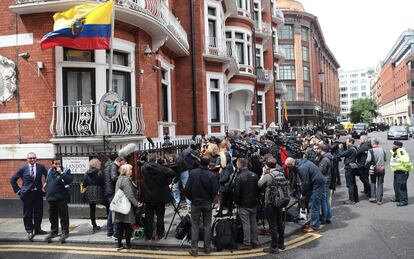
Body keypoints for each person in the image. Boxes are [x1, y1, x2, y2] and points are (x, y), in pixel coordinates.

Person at [10, 152, 48, 241]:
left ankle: (37, 229)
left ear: (36, 158)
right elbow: (12, 179)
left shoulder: (40, 167)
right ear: (27, 159)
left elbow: (47, 176)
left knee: (38, 212)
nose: (32, 159)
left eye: (33, 158)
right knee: (27, 213)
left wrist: (45, 185)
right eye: (30, 158)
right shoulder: (23, 168)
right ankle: (29, 231)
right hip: (27, 194)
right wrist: (18, 190)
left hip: (38, 193)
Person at [185, 156, 218, 257]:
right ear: (208, 163)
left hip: (195, 203)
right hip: (207, 203)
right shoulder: (211, 175)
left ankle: (194, 249)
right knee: (207, 226)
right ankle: (207, 248)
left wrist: (192, 199)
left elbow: (187, 189)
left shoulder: (193, 173)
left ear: (200, 162)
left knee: (195, 225)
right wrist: (211, 200)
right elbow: (215, 190)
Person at [285, 157, 326, 233]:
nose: (289, 168)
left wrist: (303, 194)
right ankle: (324, 219)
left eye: (289, 167)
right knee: (322, 202)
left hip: (316, 185)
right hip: (319, 182)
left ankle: (314, 226)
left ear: (292, 164)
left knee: (314, 205)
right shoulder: (301, 162)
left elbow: (305, 183)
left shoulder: (301, 168)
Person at [141, 153, 175, 241]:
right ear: (156, 160)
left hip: (148, 197)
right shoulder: (161, 168)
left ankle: (148, 235)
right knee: (160, 216)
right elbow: (172, 173)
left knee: (149, 217)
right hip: (160, 197)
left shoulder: (144, 168)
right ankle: (160, 234)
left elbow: (142, 164)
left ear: (148, 160)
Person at [258, 157, 286, 254]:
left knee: (272, 225)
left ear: (267, 166)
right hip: (280, 201)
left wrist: (263, 173)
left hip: (270, 202)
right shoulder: (281, 173)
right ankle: (281, 243)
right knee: (279, 223)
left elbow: (259, 184)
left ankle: (274, 247)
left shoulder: (268, 176)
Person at [43, 157, 73, 243]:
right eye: (55, 164)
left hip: (61, 197)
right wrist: (45, 185)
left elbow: (69, 181)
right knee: (52, 216)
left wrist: (61, 173)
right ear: (52, 164)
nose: (57, 165)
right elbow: (48, 180)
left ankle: (65, 232)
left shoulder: (66, 171)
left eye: (59, 163)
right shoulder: (49, 171)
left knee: (63, 216)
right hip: (51, 197)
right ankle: (54, 231)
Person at [233, 158, 259, 250]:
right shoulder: (254, 175)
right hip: (253, 203)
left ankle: (247, 243)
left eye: (237, 164)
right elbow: (258, 189)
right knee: (253, 223)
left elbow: (236, 192)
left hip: (244, 204)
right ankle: (255, 241)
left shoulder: (239, 177)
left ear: (239, 165)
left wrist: (236, 201)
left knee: (246, 224)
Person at [114, 164, 141, 251]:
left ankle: (119, 245)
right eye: (130, 170)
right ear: (126, 171)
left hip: (119, 206)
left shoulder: (120, 179)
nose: (131, 171)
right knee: (128, 225)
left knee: (120, 225)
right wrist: (136, 203)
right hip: (126, 206)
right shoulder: (126, 180)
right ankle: (128, 245)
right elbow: (129, 194)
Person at [103, 156, 126, 237]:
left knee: (111, 211)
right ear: (120, 161)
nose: (123, 165)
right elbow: (113, 177)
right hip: (112, 191)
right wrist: (122, 178)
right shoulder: (113, 166)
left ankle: (110, 230)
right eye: (123, 163)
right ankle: (112, 230)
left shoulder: (110, 166)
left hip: (108, 191)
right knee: (113, 211)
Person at [83, 158, 105, 233]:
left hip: (89, 193)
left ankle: (94, 226)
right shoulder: (100, 173)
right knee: (108, 206)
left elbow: (84, 184)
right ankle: (110, 225)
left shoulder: (86, 173)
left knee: (92, 210)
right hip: (99, 192)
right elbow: (103, 182)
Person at [172, 142, 196, 210]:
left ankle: (189, 205)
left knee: (186, 187)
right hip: (179, 171)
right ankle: (177, 204)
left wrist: (174, 181)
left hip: (183, 171)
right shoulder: (174, 158)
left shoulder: (178, 159)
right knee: (175, 188)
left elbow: (178, 172)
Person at [390, 141, 412, 207]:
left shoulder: (401, 151)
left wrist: (400, 163)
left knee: (401, 186)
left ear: (397, 146)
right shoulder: (396, 151)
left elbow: (405, 160)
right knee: (396, 186)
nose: (392, 146)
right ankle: (398, 198)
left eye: (394, 145)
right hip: (397, 171)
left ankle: (403, 201)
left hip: (402, 172)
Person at [316, 144, 334, 224]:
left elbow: (321, 171)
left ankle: (324, 218)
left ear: (321, 149)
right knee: (325, 200)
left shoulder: (325, 159)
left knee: (323, 200)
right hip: (327, 179)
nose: (316, 150)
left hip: (324, 180)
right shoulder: (328, 157)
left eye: (318, 149)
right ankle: (328, 216)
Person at [365, 138, 386, 205]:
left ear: (373, 143)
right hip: (381, 169)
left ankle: (373, 197)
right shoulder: (382, 149)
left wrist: (365, 164)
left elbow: (368, 160)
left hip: (373, 169)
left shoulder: (370, 150)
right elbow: (385, 159)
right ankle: (379, 200)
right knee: (380, 183)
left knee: (373, 182)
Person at [339, 138, 359, 204]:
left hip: (349, 168)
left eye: (347, 142)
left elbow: (341, 154)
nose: (346, 143)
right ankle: (356, 198)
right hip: (352, 167)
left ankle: (351, 199)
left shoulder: (351, 150)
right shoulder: (354, 148)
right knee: (353, 183)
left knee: (349, 184)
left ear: (351, 142)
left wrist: (341, 147)